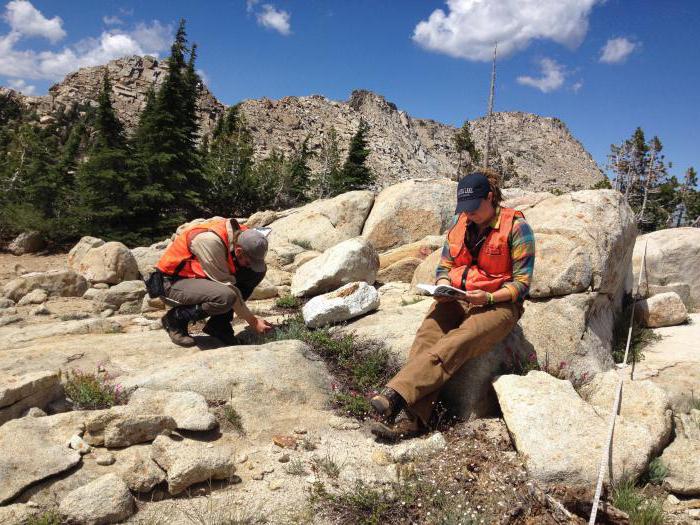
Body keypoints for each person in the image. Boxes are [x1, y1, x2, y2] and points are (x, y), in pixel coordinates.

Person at [370, 168, 535, 440]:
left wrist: (489, 298)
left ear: (490, 198)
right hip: (458, 296)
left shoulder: (517, 228)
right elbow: (445, 265)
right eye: (465, 208)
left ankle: (396, 398)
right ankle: (415, 419)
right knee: (428, 335)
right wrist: (443, 286)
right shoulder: (460, 224)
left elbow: (522, 285)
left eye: (474, 207)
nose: (469, 213)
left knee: (458, 340)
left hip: (499, 304)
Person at [155, 217, 273, 347]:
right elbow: (227, 286)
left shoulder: (243, 235)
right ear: (239, 251)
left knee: (255, 272)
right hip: (173, 281)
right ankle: (175, 319)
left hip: (200, 276)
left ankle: (218, 325)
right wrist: (253, 321)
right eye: (248, 262)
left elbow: (235, 273)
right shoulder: (210, 241)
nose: (248, 265)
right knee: (225, 297)